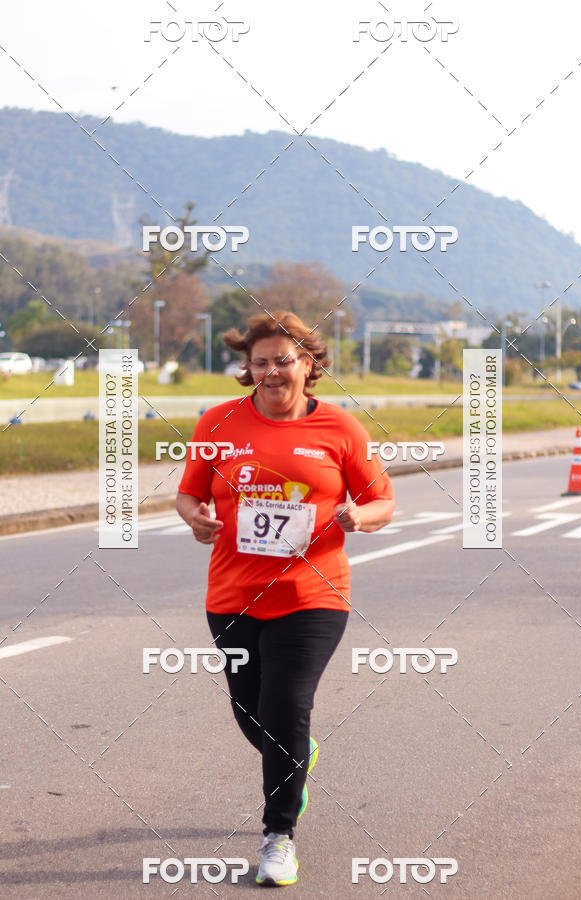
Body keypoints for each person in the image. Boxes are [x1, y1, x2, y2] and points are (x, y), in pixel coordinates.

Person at [176, 310, 395, 886]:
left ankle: (278, 837)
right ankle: (299, 754)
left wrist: (359, 515)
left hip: (313, 594)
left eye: (285, 360)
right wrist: (196, 519)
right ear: (248, 368)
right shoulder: (217, 423)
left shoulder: (341, 429)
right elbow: (189, 495)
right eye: (261, 362)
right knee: (251, 712)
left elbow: (384, 503)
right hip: (233, 594)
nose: (273, 371)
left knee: (284, 707)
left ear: (309, 364)